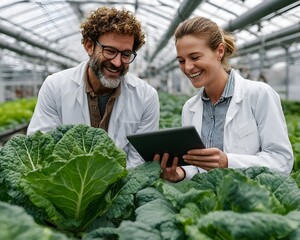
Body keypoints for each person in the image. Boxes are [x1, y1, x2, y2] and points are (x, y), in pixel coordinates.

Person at [155, 16, 294, 182]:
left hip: (252, 201)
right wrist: (181, 174)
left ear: (219, 51)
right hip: (206, 204)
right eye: (181, 61)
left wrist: (228, 162)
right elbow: (195, 166)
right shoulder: (189, 108)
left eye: (195, 57)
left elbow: (282, 160)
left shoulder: (259, 95)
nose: (188, 67)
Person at [27, 6, 160, 169]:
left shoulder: (146, 96)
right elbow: (40, 148)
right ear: (89, 46)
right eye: (110, 51)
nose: (117, 62)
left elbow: (139, 162)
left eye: (126, 54)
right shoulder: (55, 86)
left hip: (120, 189)